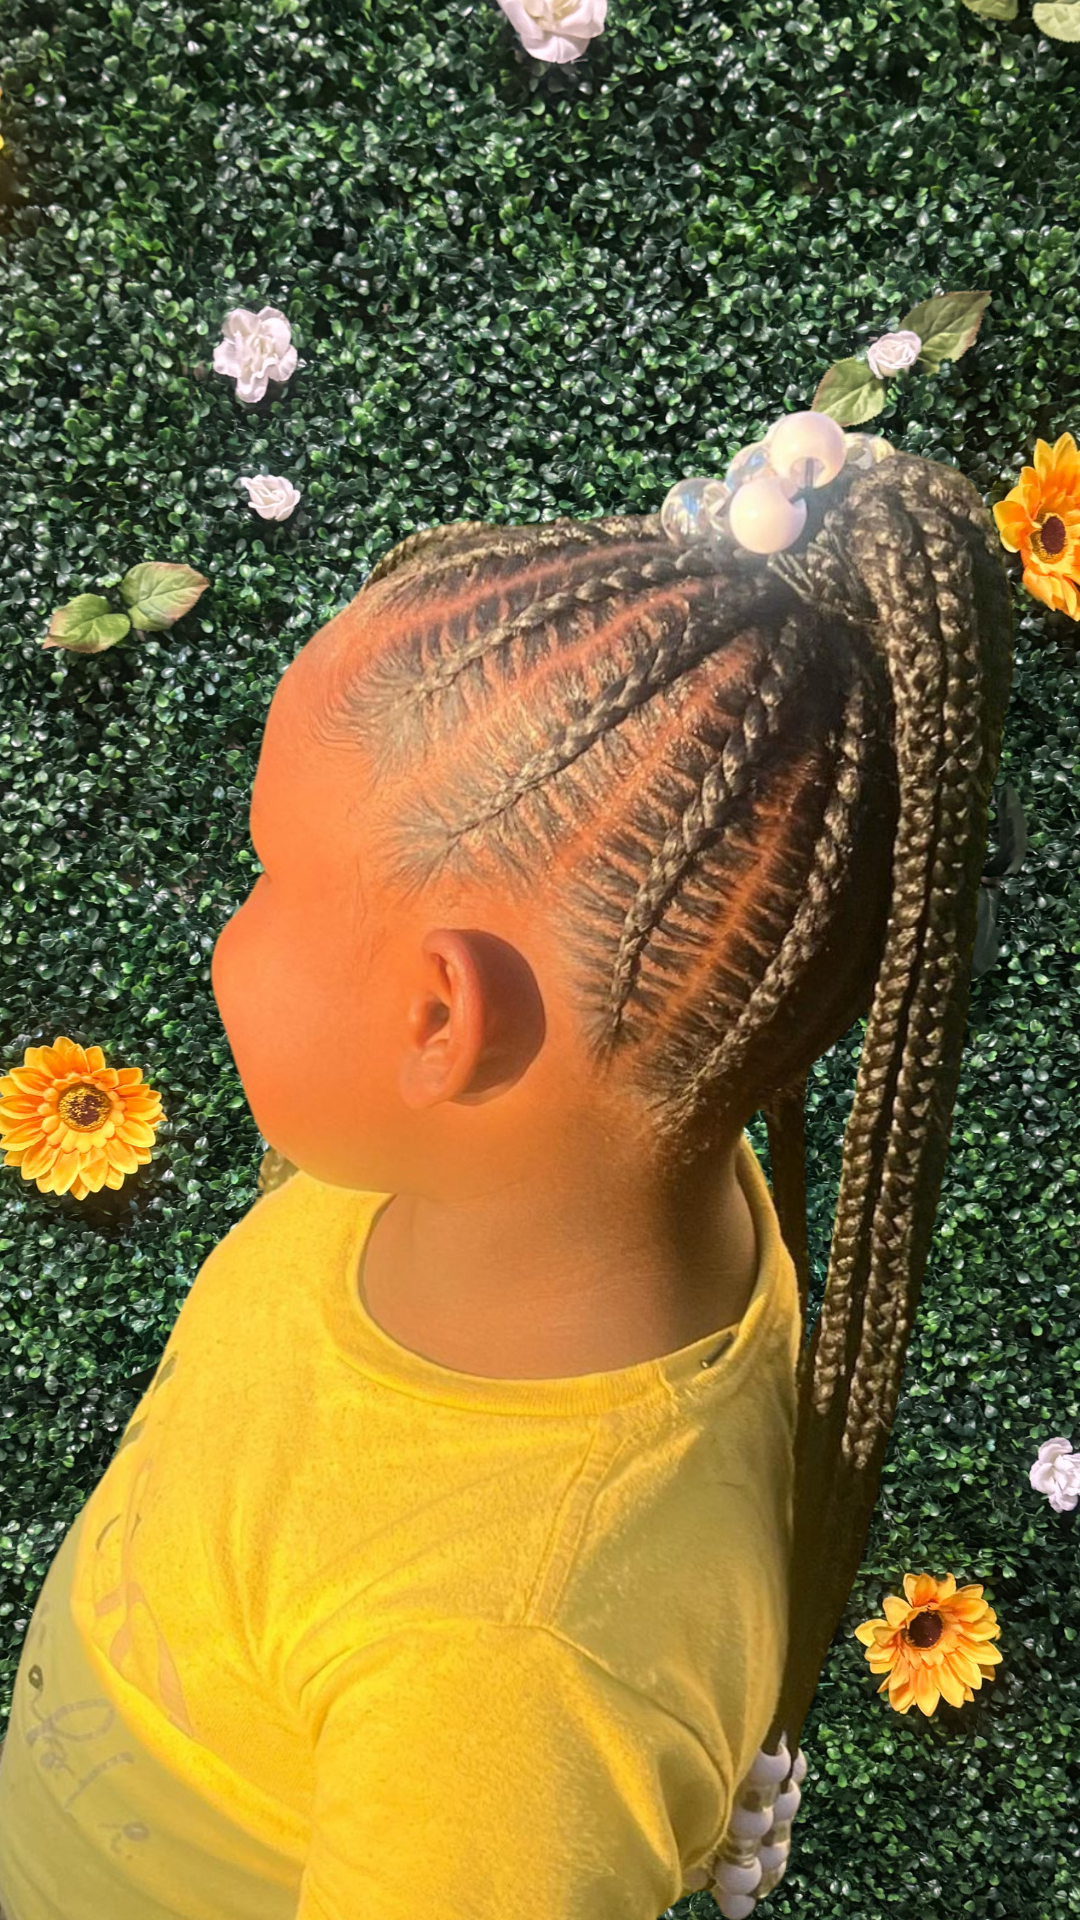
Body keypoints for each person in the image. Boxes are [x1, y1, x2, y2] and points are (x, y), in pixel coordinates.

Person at [0, 414, 1013, 1920]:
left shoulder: (514, 1676)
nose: (230, 923)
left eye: (267, 874)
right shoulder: (563, 1186)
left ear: (439, 1019)